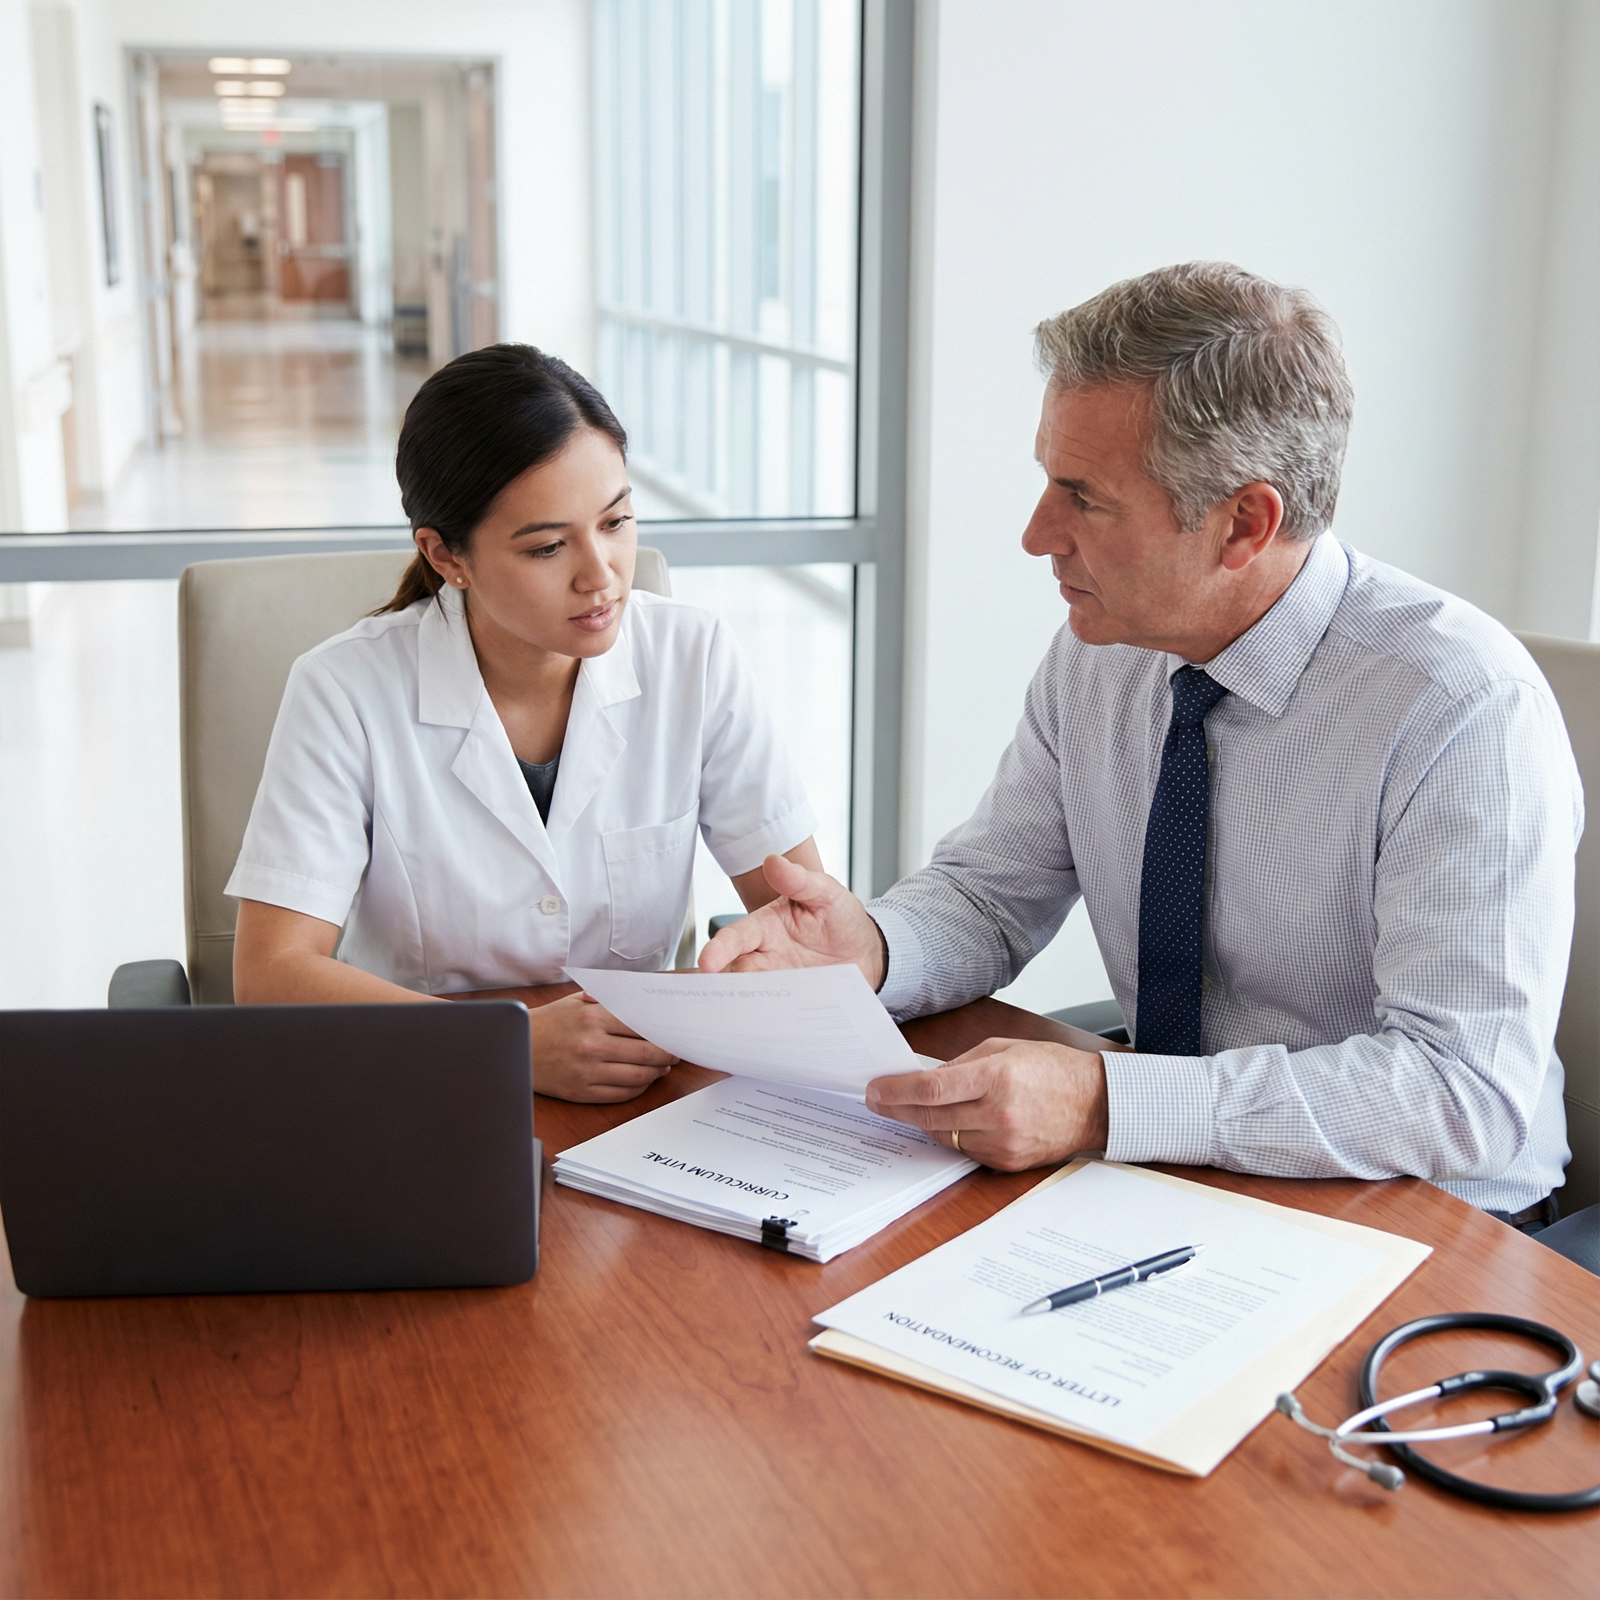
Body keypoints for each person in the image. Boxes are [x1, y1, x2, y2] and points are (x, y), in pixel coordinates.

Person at [701, 261, 1581, 1227]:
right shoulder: (1104, 652)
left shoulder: (1461, 709)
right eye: (1047, 481)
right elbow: (990, 896)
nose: (1037, 534)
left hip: (1427, 1217)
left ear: (1244, 523)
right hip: (1179, 1176)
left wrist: (1105, 1101)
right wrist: (869, 948)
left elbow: (1461, 1092)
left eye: (1083, 497)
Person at [230, 344, 822, 1102]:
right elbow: (272, 974)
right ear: (446, 555)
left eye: (616, 521)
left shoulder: (694, 656)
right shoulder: (344, 689)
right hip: (423, 1089)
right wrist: (502, 1046)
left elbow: (805, 920)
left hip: (637, 1097)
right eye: (547, 546)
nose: (601, 574)